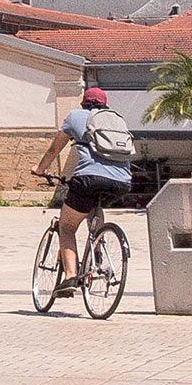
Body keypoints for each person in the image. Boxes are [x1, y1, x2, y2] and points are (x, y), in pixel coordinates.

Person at [33, 86, 133, 295]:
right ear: (105, 104)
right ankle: (98, 245)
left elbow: (54, 149)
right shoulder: (116, 119)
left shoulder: (75, 117)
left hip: (88, 179)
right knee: (94, 204)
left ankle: (70, 277)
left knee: (67, 227)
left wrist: (39, 170)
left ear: (83, 102)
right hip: (122, 182)